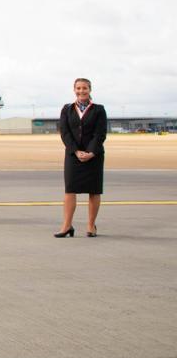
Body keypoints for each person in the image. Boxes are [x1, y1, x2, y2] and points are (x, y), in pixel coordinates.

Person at [55, 78, 107, 238]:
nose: (81, 91)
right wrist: (76, 151)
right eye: (78, 88)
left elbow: (100, 133)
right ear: (74, 90)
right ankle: (66, 225)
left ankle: (91, 226)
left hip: (94, 155)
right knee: (70, 190)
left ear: (90, 89)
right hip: (73, 155)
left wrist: (91, 152)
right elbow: (64, 132)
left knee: (94, 190)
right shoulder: (67, 109)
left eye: (84, 88)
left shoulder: (99, 109)